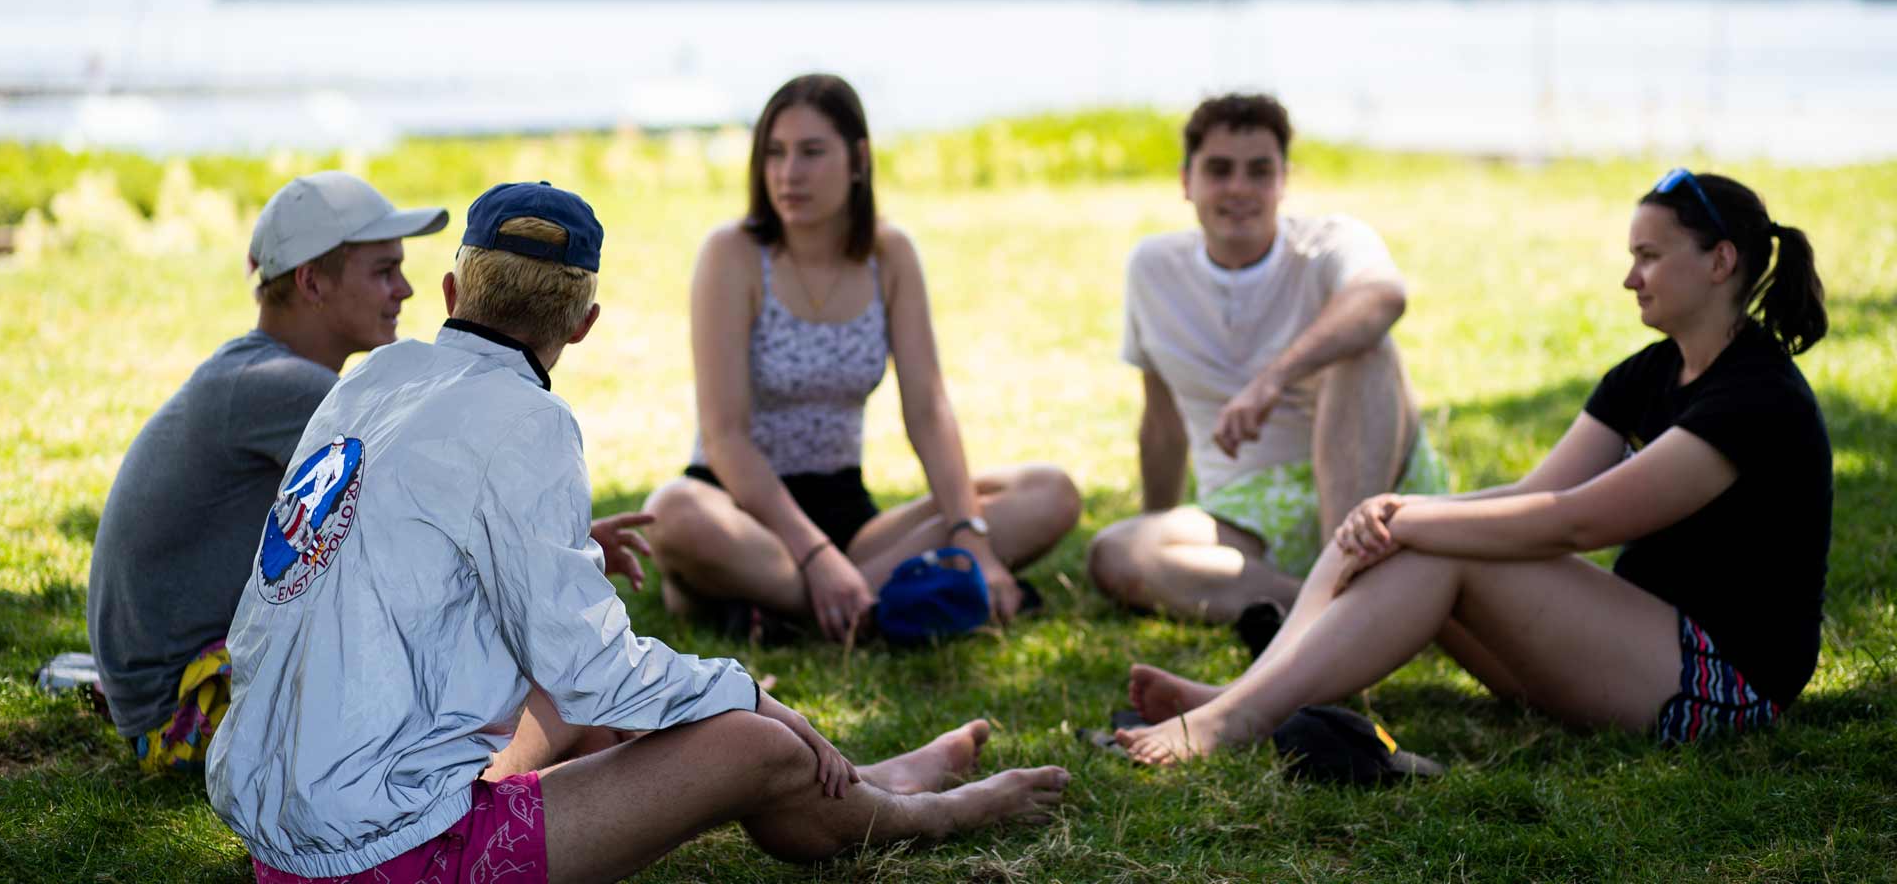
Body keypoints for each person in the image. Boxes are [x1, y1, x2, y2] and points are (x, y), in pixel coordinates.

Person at [205, 181, 1071, 882]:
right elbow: (597, 677)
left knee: (644, 704)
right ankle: (927, 809)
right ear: (583, 324)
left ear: (450, 292)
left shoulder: (375, 378)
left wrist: (571, 555)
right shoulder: (529, 420)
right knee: (748, 740)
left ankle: (874, 781)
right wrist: (755, 694)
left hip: (280, 830)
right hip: (390, 856)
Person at [1114, 170, 1831, 764]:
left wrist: (1416, 518)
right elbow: (1534, 492)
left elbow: (1575, 521)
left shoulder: (1754, 396)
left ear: (1720, 261)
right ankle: (1244, 698)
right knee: (1394, 530)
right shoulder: (1650, 372)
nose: (1629, 277)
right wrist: (1392, 513)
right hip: (1636, 656)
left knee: (1432, 545)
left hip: (1723, 686)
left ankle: (1228, 722)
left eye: (1649, 256)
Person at [644, 74, 1081, 642]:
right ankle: (859, 601)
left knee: (1050, 492)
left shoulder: (889, 255)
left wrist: (973, 538)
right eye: (774, 153)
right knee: (672, 513)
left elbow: (928, 410)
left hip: (850, 517)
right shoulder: (733, 254)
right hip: (742, 510)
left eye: (811, 152)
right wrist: (815, 555)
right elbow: (725, 435)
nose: (788, 173)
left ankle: (794, 611)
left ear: (858, 160)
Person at [85, 171, 447, 771]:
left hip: (170, 703)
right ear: (311, 282)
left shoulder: (259, 373)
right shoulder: (289, 389)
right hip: (191, 713)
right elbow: (423, 511)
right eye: (384, 271)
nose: (406, 289)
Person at [1085, 93, 1447, 623]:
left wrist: (1273, 379)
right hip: (1246, 509)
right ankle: (1332, 604)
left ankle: (1342, 583)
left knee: (1364, 347)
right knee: (1116, 552)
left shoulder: (1330, 243)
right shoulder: (1153, 268)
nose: (1239, 189)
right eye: (1219, 170)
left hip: (1369, 493)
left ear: (1283, 181)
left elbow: (1384, 296)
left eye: (1259, 171)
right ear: (1186, 181)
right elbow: (1161, 422)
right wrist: (1155, 528)